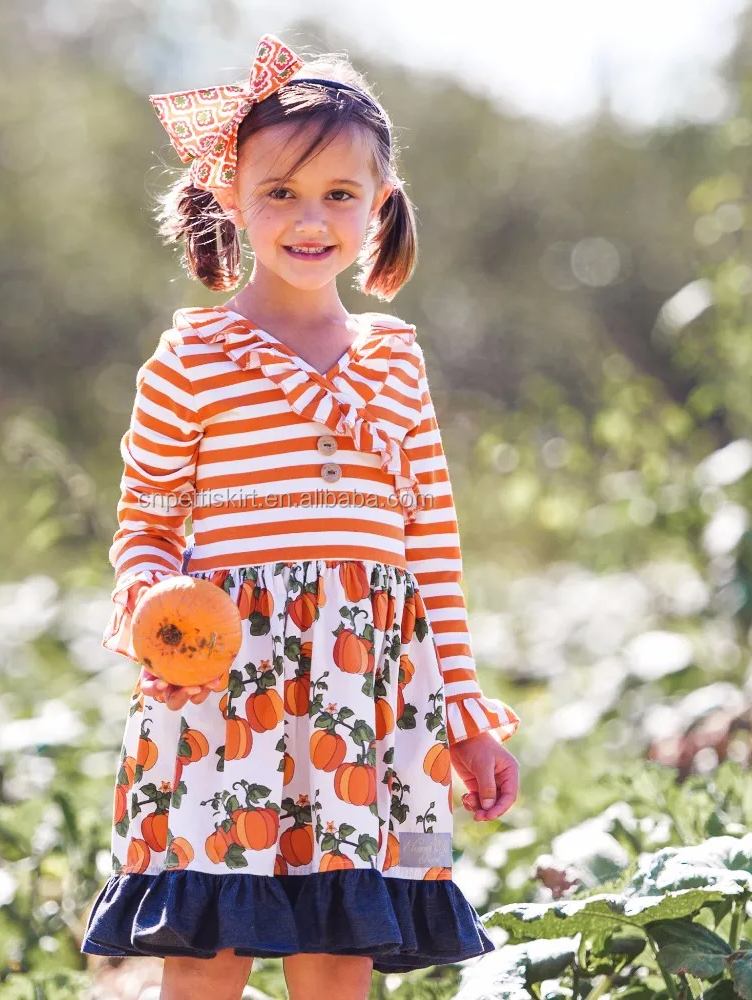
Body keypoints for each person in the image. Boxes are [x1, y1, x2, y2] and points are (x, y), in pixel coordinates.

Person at [80, 33, 521, 1000]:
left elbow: (430, 550)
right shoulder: (194, 359)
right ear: (229, 196)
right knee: (211, 943)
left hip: (367, 693)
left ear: (380, 206)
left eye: (338, 193)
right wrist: (156, 602)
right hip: (227, 690)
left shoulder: (395, 360)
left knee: (339, 943)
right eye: (279, 191)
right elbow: (144, 526)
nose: (309, 217)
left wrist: (466, 713)